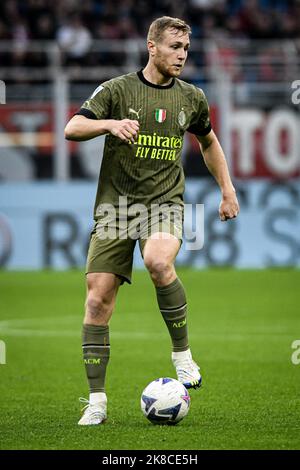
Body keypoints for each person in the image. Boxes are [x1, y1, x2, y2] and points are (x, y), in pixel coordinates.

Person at [64, 16, 239, 426]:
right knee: (96, 301)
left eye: (186, 49)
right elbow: (72, 127)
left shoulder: (192, 97)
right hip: (115, 208)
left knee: (160, 263)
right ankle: (97, 402)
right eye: (174, 47)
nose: (181, 55)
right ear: (152, 46)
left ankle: (182, 357)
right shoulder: (117, 90)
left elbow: (208, 141)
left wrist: (227, 190)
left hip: (164, 202)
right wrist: (109, 124)